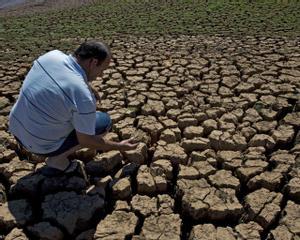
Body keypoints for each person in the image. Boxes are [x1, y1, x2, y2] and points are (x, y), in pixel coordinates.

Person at [8, 40, 138, 174]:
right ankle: (57, 159)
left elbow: (63, 76)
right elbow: (87, 141)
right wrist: (119, 146)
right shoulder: (82, 95)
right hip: (40, 145)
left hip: (16, 129)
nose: (101, 75)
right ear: (93, 62)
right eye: (102, 69)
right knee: (103, 122)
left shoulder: (51, 56)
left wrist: (87, 84)